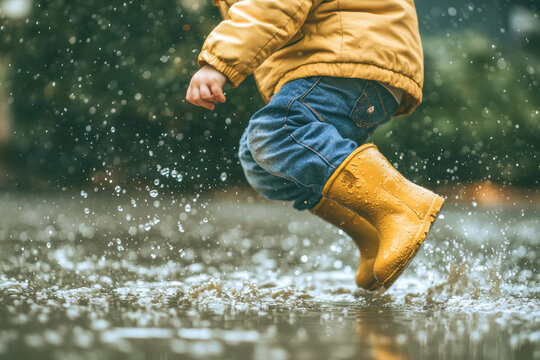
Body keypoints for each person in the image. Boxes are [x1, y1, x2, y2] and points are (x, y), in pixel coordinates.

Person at [186, 0, 444, 291]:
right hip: (351, 61)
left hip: (349, 58)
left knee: (277, 131)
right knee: (258, 158)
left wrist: (219, 62)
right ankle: (371, 231)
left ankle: (403, 207)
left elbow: (271, 5)